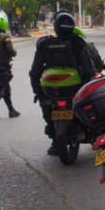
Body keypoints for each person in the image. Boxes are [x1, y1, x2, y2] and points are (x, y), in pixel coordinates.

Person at [28, 11, 97, 155]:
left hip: (50, 90)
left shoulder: (45, 43)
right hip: (75, 89)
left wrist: (37, 92)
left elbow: (35, 71)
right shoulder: (78, 43)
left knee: (47, 107)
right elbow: (89, 68)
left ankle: (55, 141)